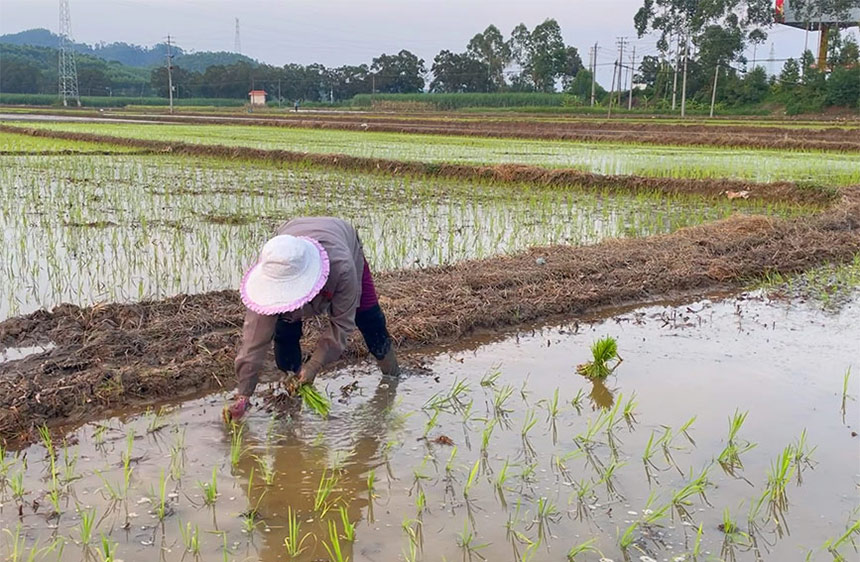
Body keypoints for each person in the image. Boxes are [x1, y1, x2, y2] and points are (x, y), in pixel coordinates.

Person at [224, 217, 398, 421]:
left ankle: (392, 376)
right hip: (291, 242)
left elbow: (342, 324)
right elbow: (253, 341)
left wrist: (314, 365)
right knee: (285, 330)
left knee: (369, 319)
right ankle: (293, 386)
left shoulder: (342, 268)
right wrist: (243, 395)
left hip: (341, 241)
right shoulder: (273, 267)